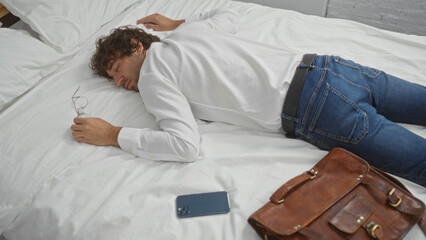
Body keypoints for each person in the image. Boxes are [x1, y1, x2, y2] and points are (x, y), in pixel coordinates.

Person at [71, 9, 426, 186]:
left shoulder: (152, 75)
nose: (118, 81)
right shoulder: (190, 33)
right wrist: (178, 23)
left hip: (317, 109)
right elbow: (228, 16)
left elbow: (184, 146)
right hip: (332, 67)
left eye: (117, 68)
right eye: (112, 78)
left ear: (137, 46)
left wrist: (115, 135)